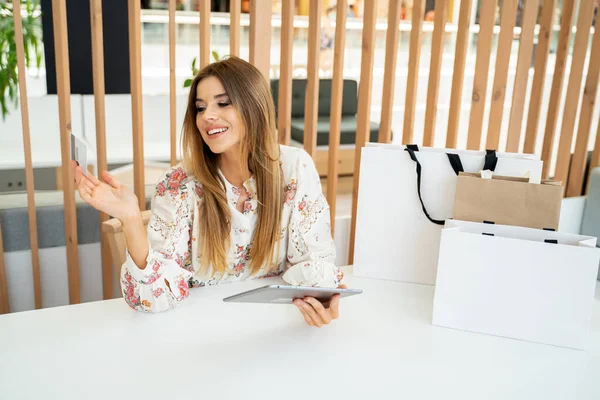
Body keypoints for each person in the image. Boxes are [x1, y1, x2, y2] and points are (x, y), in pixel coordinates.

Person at [72, 57, 345, 327]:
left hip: (273, 329)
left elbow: (313, 260)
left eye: (222, 103)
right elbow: (157, 297)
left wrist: (323, 297)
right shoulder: (179, 183)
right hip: (198, 332)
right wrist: (130, 219)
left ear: (254, 105)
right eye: (200, 108)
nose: (207, 116)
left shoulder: (295, 168)